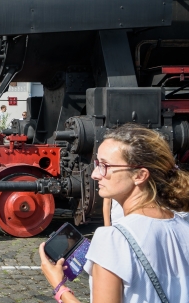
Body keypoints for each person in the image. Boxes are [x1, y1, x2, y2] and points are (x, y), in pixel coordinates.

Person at [39, 124, 189, 303]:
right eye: (97, 164)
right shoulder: (184, 224)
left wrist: (59, 287)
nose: (95, 174)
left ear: (140, 175)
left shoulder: (112, 240)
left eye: (105, 165)